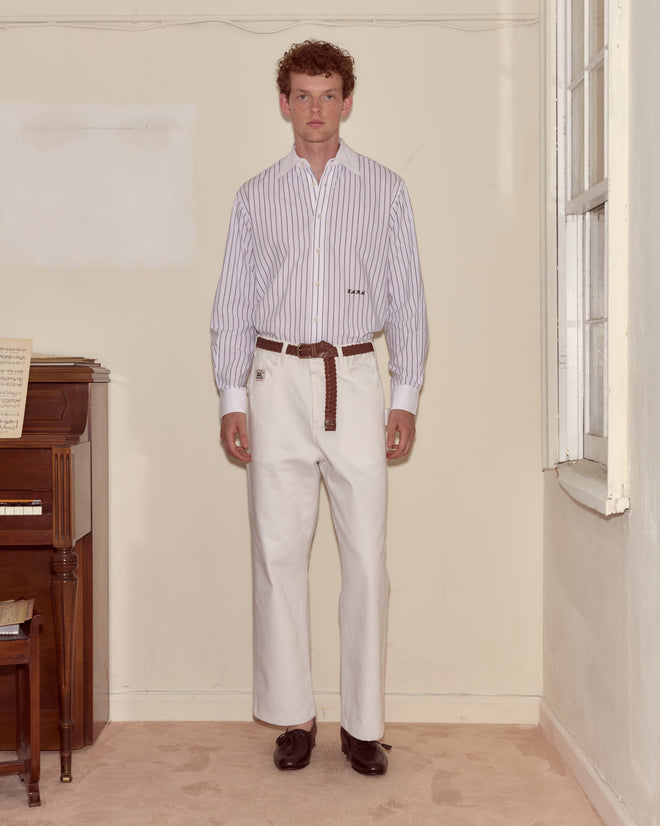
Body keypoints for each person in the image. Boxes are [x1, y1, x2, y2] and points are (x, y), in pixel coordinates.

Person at [211, 39, 428, 776]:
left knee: (365, 557)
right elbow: (232, 302)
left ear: (347, 102)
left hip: (355, 376)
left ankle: (363, 727)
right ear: (284, 103)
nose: (315, 108)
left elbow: (408, 298)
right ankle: (295, 716)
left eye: (327, 94)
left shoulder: (385, 190)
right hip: (274, 378)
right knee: (278, 555)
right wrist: (232, 396)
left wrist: (406, 393)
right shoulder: (255, 195)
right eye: (302, 95)